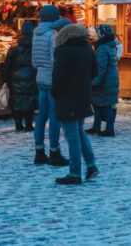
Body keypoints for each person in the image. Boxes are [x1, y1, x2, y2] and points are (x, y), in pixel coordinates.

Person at [51, 23, 98, 185]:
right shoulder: (86, 48)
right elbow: (95, 71)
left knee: (72, 136)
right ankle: (91, 165)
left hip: (67, 98)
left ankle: (75, 173)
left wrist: (55, 92)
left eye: (56, 32)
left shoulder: (62, 51)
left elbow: (58, 77)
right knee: (79, 132)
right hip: (83, 96)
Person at [31, 6, 69, 167]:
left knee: (41, 116)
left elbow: (34, 61)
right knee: (54, 117)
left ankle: (39, 152)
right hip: (51, 79)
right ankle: (55, 151)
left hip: (40, 77)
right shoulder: (51, 35)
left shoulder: (36, 34)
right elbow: (56, 59)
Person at [1, 21, 38, 132]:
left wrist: (4, 79)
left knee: (16, 100)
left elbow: (7, 65)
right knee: (30, 101)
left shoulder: (14, 48)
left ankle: (18, 124)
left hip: (15, 77)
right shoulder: (36, 46)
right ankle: (28, 124)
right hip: (32, 77)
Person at [89, 24, 120, 136]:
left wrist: (95, 82)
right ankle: (97, 127)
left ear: (102, 35)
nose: (95, 36)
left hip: (105, 81)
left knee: (106, 105)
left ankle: (109, 129)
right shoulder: (109, 45)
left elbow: (101, 67)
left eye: (97, 34)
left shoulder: (102, 48)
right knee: (99, 104)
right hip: (110, 79)